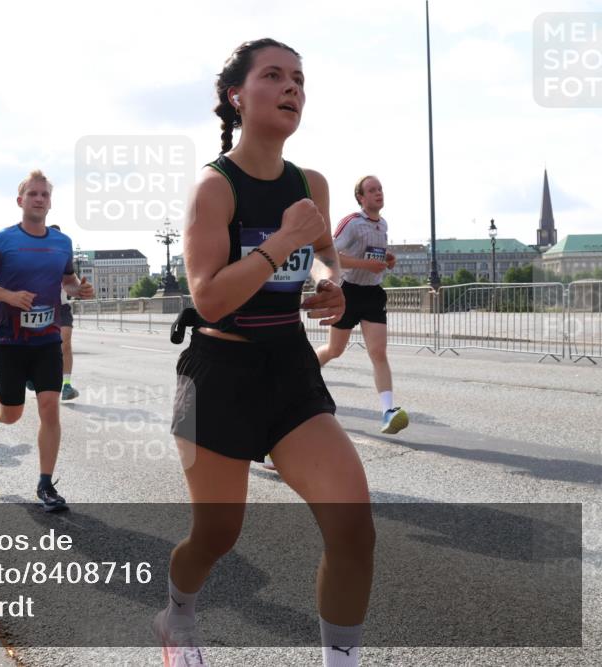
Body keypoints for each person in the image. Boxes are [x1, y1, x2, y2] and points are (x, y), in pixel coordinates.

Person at [158, 39, 373, 667]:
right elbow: (210, 299)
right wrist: (282, 241)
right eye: (274, 76)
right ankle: (177, 615)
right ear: (237, 97)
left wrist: (333, 290)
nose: (292, 88)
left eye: (299, 80)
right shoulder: (214, 187)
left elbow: (325, 258)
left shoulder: (312, 183)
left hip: (288, 366)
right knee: (217, 535)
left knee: (353, 524)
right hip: (218, 372)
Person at [0, 169, 94, 512]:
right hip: (9, 340)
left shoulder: (61, 242)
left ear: (50, 203)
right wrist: (8, 296)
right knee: (13, 413)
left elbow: (67, 281)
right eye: (33, 194)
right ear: (20, 200)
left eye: (45, 195)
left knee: (50, 407)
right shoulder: (2, 240)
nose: (39, 199)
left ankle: (45, 484)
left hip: (47, 339)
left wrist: (78, 290)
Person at [315, 175, 408, 435]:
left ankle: (388, 412)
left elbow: (372, 255)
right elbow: (329, 254)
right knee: (335, 350)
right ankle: (306, 370)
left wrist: (387, 258)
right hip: (348, 292)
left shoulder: (383, 224)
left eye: (380, 188)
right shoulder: (352, 223)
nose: (379, 193)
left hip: (373, 294)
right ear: (361, 198)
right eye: (372, 190)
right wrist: (366, 265)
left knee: (378, 352)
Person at [49, 224, 80, 400]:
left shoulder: (64, 259)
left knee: (65, 344)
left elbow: (71, 282)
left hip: (62, 306)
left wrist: (80, 288)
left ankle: (66, 385)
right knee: (41, 346)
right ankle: (30, 376)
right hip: (43, 308)